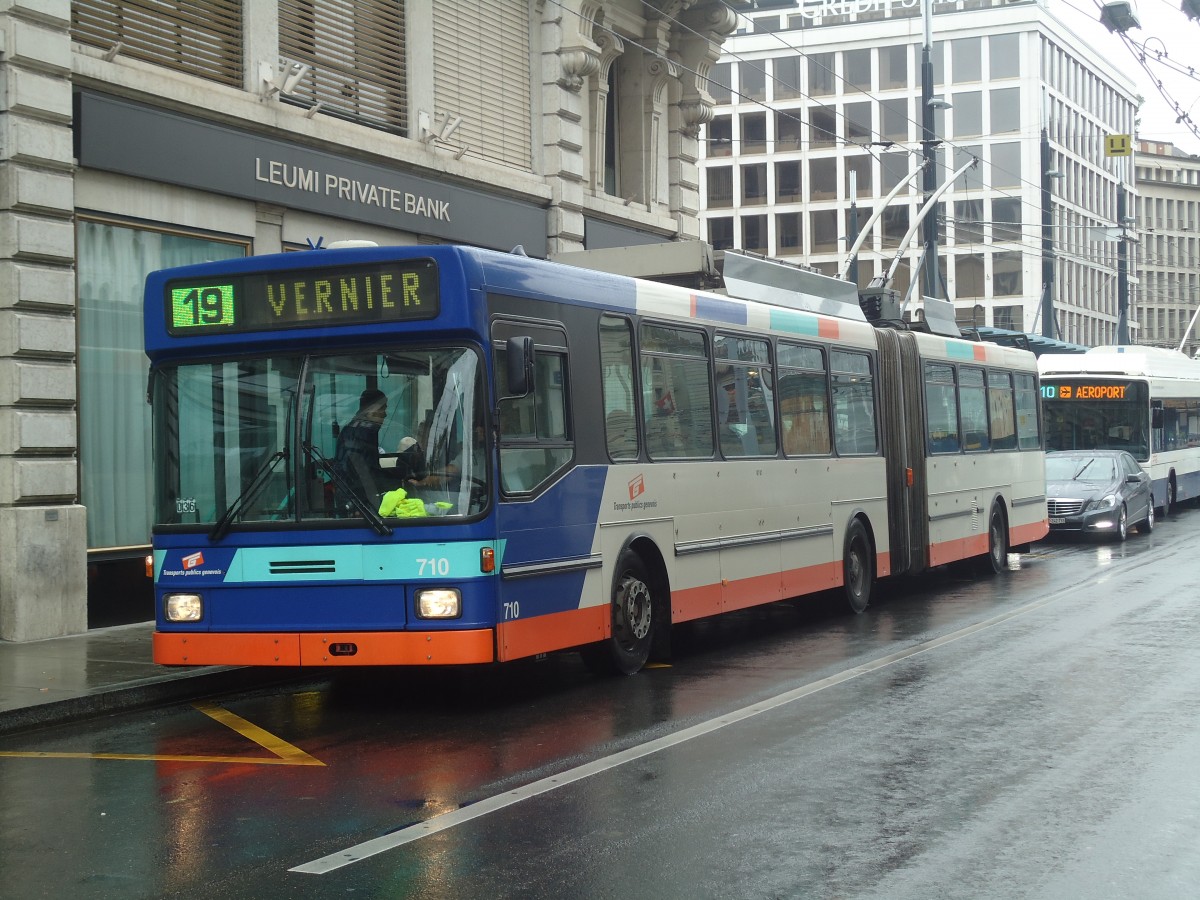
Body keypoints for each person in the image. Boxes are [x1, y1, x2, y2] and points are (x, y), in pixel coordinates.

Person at [332, 389, 416, 507]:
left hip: (353, 499)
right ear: (371, 410)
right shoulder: (363, 432)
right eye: (382, 409)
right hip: (356, 503)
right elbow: (366, 473)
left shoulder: (352, 428)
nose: (385, 414)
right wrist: (399, 482)